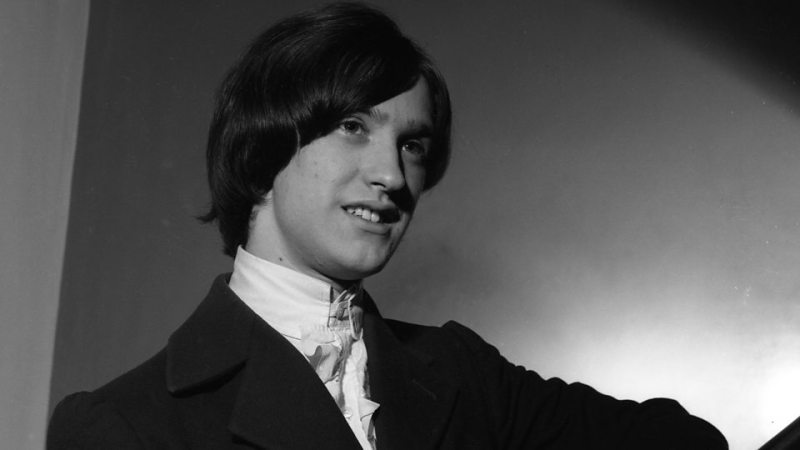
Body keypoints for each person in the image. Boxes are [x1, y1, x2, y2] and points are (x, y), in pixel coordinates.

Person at [47, 2, 728, 449]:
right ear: (261, 149)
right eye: (353, 127)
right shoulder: (123, 425)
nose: (394, 177)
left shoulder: (462, 375)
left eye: (413, 145)